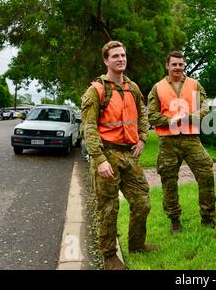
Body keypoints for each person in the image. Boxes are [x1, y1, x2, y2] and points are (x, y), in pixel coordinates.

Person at [81, 40, 157, 270]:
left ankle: (136, 244)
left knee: (142, 201)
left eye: (123, 55)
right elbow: (89, 128)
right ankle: (109, 255)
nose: (121, 59)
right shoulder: (96, 90)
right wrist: (100, 159)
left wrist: (143, 137)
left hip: (129, 155)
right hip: (107, 155)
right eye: (115, 56)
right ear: (106, 60)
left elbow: (142, 115)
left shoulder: (132, 88)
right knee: (108, 207)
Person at [147, 50, 216, 234]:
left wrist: (192, 117)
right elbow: (151, 115)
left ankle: (208, 217)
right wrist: (168, 120)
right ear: (167, 66)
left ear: (183, 65)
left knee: (206, 174)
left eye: (181, 64)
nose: (178, 67)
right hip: (168, 142)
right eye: (174, 64)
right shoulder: (158, 87)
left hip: (191, 139)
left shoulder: (194, 84)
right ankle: (174, 220)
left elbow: (205, 107)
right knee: (169, 181)